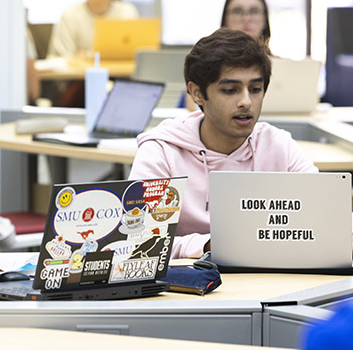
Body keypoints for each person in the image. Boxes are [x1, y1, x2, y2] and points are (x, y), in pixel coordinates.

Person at [128, 28, 317, 259]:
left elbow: (323, 219)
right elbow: (137, 239)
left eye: (255, 89)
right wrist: (206, 246)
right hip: (188, 289)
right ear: (197, 93)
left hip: (268, 284)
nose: (246, 102)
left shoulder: (279, 146)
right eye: (230, 90)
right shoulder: (162, 151)